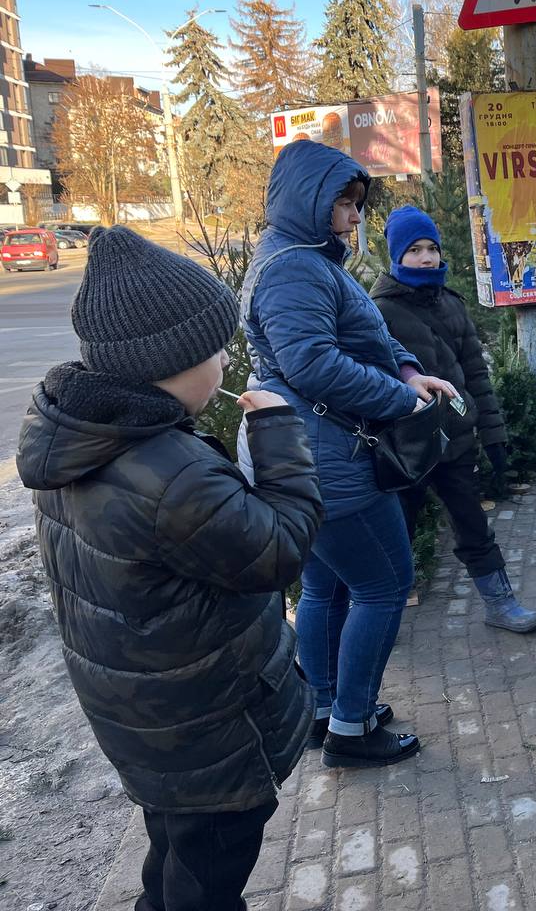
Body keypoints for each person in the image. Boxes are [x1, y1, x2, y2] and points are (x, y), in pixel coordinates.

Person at [16, 226, 324, 911]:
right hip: (202, 725)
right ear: (171, 363)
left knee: (177, 849)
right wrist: (279, 435)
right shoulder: (168, 473)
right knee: (210, 866)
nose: (225, 360)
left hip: (146, 717)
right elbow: (278, 550)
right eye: (216, 349)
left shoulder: (82, 435)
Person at [241, 140, 457, 769]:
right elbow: (313, 364)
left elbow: (368, 335)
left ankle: (323, 708)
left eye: (358, 202)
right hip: (326, 455)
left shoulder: (305, 258)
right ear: (308, 200)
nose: (355, 215)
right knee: (385, 586)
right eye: (344, 202)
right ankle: (352, 728)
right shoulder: (294, 269)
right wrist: (401, 399)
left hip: (307, 450)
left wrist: (409, 371)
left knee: (325, 585)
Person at [371, 205, 536, 633]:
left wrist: (494, 434)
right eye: (414, 250)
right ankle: (379, 618)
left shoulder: (451, 304)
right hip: (406, 444)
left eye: (432, 248)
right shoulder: (377, 310)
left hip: (455, 440)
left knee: (472, 524)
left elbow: (476, 375)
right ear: (397, 255)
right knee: (397, 532)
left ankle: (500, 602)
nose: (427, 258)